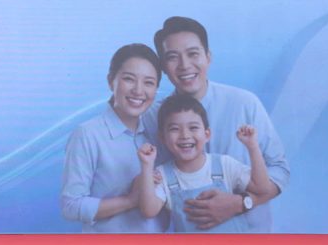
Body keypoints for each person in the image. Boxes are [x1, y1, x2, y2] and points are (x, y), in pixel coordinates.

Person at [145, 16, 289, 231]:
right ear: (163, 67)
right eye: (172, 57)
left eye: (193, 53)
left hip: (251, 237)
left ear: (208, 57)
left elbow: (279, 169)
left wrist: (241, 202)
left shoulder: (244, 103)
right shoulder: (153, 116)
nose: (185, 65)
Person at [61, 44, 166, 232]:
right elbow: (71, 206)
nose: (138, 90)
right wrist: (131, 200)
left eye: (149, 83)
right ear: (111, 81)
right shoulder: (88, 134)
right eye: (129, 79)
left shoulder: (157, 130)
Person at [137, 94, 275, 232]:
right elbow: (149, 211)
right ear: (162, 137)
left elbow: (262, 188)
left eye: (193, 127)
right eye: (174, 129)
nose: (185, 135)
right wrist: (146, 166)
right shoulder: (163, 175)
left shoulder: (224, 164)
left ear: (207, 134)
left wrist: (253, 147)